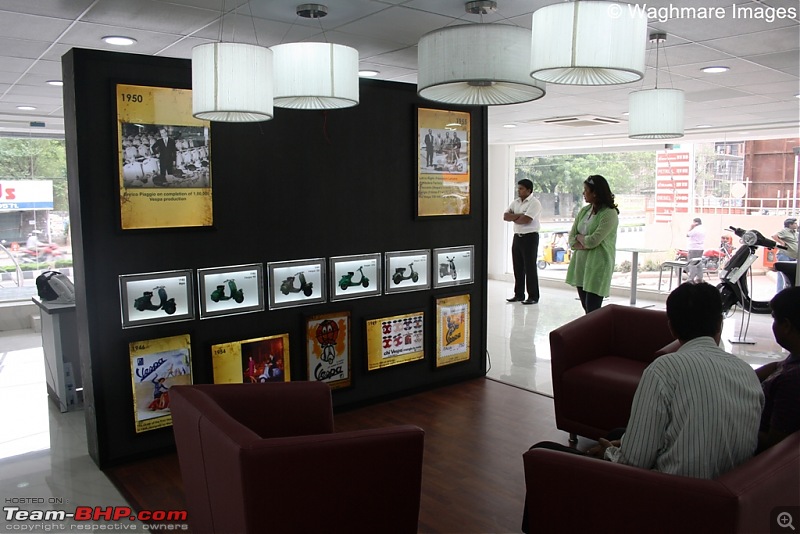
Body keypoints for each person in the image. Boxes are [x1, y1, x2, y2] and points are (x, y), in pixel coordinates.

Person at [595, 282, 763, 476]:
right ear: (720, 324)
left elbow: (634, 463)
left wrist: (609, 453)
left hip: (676, 495)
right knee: (619, 434)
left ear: (672, 328)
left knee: (560, 453)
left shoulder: (663, 370)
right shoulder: (747, 372)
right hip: (730, 491)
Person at [564, 175, 619, 313]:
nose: (583, 193)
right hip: (581, 264)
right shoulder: (584, 211)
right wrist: (580, 239)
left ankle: (596, 334)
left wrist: (582, 239)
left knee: (592, 309)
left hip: (598, 265)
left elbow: (594, 240)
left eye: (586, 190)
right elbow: (572, 237)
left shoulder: (609, 214)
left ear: (595, 193)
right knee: (586, 308)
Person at [755, 286, 800, 452]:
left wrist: (736, 422)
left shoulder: (792, 381)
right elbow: (778, 365)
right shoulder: (793, 360)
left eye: (774, 319)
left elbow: (774, 444)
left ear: (786, 325)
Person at [504, 179, 541, 305]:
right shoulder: (516, 202)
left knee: (530, 267)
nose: (518, 190)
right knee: (517, 266)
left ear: (529, 190)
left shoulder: (534, 203)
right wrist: (519, 215)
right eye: (518, 188)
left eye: (521, 188)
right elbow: (505, 216)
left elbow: (526, 220)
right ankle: (519, 294)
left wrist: (515, 217)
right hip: (517, 237)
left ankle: (533, 296)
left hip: (530, 237)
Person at [771, 217, 798, 292]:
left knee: (790, 275)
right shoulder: (785, 231)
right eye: (795, 223)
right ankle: (780, 292)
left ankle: (789, 292)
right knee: (782, 274)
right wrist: (782, 243)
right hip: (784, 255)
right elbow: (774, 236)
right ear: (790, 224)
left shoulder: (795, 233)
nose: (796, 224)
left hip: (793, 256)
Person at [686, 217, 706, 283]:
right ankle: (700, 278)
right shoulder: (703, 229)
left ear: (696, 223)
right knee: (699, 263)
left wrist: (691, 227)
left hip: (693, 248)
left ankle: (691, 279)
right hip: (700, 248)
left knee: (692, 263)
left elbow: (688, 234)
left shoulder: (695, 229)